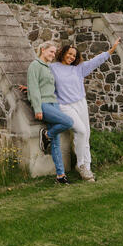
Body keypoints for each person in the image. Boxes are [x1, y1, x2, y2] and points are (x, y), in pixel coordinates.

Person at [51, 38, 120, 182]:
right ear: (63, 53)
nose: (71, 57)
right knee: (80, 131)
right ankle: (80, 164)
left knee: (85, 135)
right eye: (69, 54)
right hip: (64, 105)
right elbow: (42, 79)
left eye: (74, 56)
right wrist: (30, 87)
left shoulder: (79, 68)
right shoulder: (53, 67)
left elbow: (95, 61)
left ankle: (86, 168)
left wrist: (111, 50)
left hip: (80, 103)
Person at [26, 40, 75, 184]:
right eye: (51, 51)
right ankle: (46, 135)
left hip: (54, 104)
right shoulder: (34, 65)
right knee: (68, 122)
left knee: (56, 143)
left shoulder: (47, 67)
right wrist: (37, 108)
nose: (53, 55)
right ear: (43, 50)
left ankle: (60, 176)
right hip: (44, 104)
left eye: (54, 52)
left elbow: (43, 85)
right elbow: (34, 88)